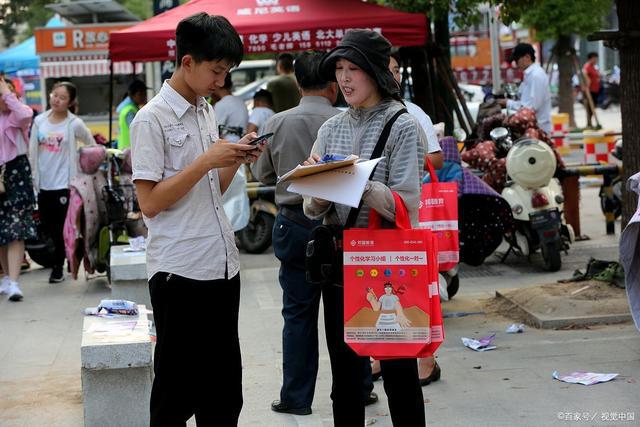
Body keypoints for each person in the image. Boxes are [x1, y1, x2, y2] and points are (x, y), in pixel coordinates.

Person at [130, 13, 264, 426]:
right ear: (187, 62)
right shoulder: (150, 118)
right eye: (216, 70)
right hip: (180, 273)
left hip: (222, 267)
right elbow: (149, 202)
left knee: (224, 395)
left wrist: (234, 158)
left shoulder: (205, 110)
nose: (221, 81)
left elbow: (209, 191)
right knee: (174, 395)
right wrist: (206, 159)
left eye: (226, 72)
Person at [303, 29, 426, 427]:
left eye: (353, 68)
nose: (344, 78)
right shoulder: (330, 128)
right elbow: (311, 207)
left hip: (385, 261)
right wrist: (320, 187)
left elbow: (405, 205)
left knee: (398, 372)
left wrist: (358, 181)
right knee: (345, 373)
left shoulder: (403, 124)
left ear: (375, 71)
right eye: (338, 68)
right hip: (338, 261)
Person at [252, 51, 377, 415]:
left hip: (292, 223)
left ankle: (296, 397)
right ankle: (361, 387)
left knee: (297, 314)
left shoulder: (277, 122)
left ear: (296, 82)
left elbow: (262, 175)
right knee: (349, 312)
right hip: (340, 226)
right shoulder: (348, 122)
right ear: (333, 85)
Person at [29, 81, 95, 283]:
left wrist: (83, 168)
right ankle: (65, 255)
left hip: (65, 185)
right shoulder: (39, 121)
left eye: (62, 97)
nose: (56, 100)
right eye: (54, 95)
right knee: (48, 227)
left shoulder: (73, 123)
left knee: (60, 227)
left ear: (70, 101)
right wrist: (33, 180)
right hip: (43, 185)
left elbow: (90, 145)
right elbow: (32, 153)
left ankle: (58, 267)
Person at [0, 78, 36, 301]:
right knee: (1, 232)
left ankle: (14, 281)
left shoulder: (17, 115)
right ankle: (6, 277)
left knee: (16, 229)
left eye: (10, 95)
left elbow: (25, 114)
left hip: (17, 174)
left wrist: (6, 92)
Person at [389, 53, 443, 169]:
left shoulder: (413, 112)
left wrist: (399, 159)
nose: (393, 77)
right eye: (387, 71)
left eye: (396, 71)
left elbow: (437, 160)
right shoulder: (356, 115)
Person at [211, 73, 251, 232]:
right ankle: (237, 226)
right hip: (241, 148)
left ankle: (227, 228)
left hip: (226, 151)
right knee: (238, 193)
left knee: (224, 194)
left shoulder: (221, 105)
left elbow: (214, 132)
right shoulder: (240, 102)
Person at [497, 43, 552, 134]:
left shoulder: (536, 75)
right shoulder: (529, 75)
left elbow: (532, 107)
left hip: (537, 129)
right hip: (530, 126)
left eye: (517, 60)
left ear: (527, 57)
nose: (516, 64)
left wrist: (508, 103)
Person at [117, 79, 148, 150]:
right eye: (140, 94)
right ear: (132, 95)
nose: (144, 97)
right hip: (129, 150)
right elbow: (137, 131)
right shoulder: (130, 111)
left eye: (145, 94)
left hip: (128, 149)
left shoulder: (131, 108)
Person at [582, 52, 601, 129]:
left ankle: (590, 123)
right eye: (594, 58)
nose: (596, 60)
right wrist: (587, 85)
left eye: (596, 58)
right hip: (590, 91)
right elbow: (585, 75)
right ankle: (589, 124)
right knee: (590, 108)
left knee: (593, 107)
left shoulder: (594, 67)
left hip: (595, 90)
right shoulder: (587, 67)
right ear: (590, 58)